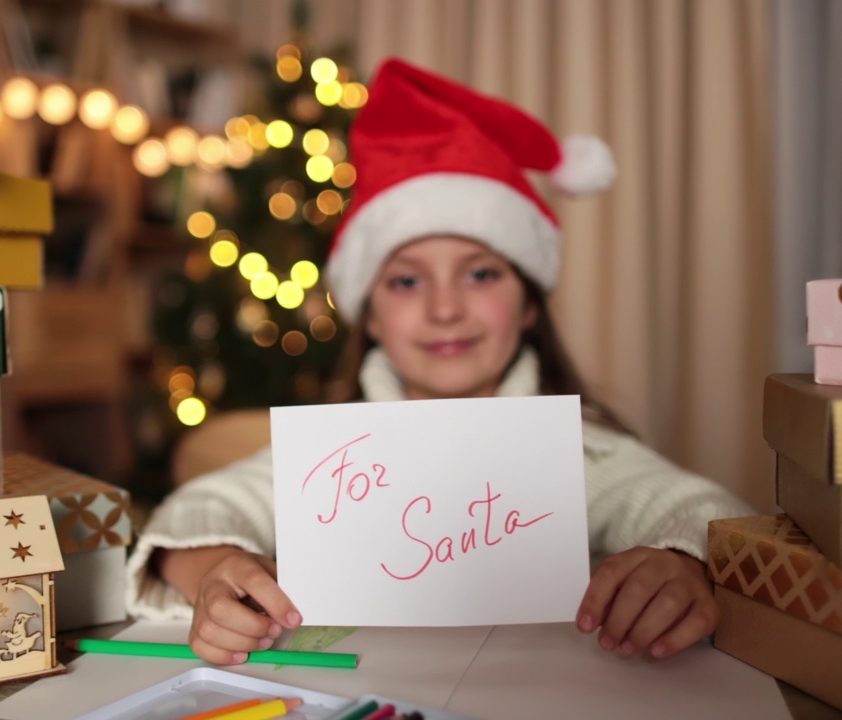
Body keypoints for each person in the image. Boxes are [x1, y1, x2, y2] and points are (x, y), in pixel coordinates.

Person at [125, 58, 753, 665]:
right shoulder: (332, 459)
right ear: (368, 316)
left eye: (480, 273)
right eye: (405, 282)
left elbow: (707, 514)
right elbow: (196, 514)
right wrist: (213, 573)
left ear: (530, 305)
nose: (445, 308)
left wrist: (681, 563)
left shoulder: (577, 454)